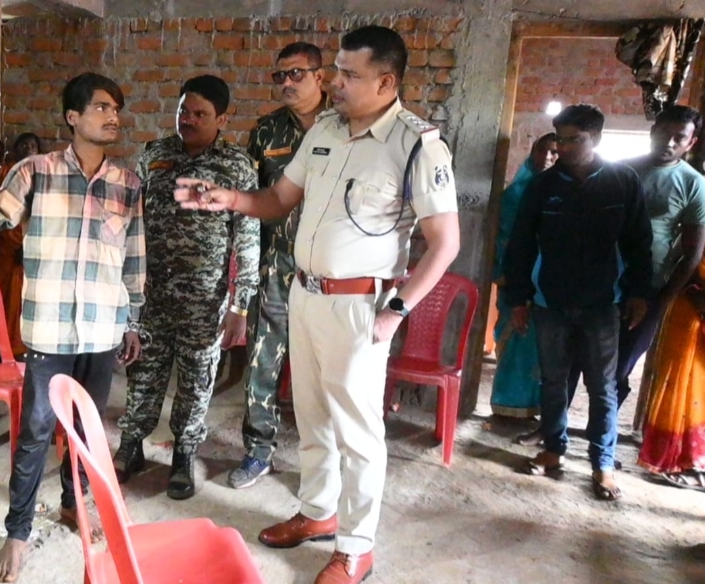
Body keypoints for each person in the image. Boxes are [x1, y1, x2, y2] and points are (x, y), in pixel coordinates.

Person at [176, 26, 460, 584]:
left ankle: (356, 549)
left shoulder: (416, 144)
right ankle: (318, 512)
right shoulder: (326, 128)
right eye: (337, 71)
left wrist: (396, 311)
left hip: (359, 308)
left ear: (387, 82)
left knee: (358, 433)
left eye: (350, 75)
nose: (336, 83)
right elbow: (279, 199)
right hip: (303, 294)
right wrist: (229, 199)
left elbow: (445, 242)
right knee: (310, 416)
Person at [0, 72, 145, 583]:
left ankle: (72, 504)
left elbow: (134, 259)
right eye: (101, 107)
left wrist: (133, 322)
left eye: (116, 109)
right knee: (35, 432)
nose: (113, 117)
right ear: (72, 117)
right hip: (49, 331)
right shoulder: (35, 171)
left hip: (101, 331)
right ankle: (17, 532)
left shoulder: (127, 185)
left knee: (86, 433)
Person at [113, 74, 260, 501]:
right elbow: (131, 221)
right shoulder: (155, 155)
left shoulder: (236, 166)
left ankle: (183, 454)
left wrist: (240, 305)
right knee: (143, 373)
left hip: (204, 301)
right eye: (183, 111)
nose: (188, 120)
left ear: (221, 119)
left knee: (196, 381)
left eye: (200, 114)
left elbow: (248, 237)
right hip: (152, 295)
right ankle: (131, 445)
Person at [504, 103, 652, 502]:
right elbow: (521, 244)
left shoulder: (622, 182)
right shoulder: (543, 186)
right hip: (550, 301)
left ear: (597, 138)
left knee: (602, 387)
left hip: (603, 303)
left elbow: (639, 242)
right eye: (561, 139)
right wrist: (517, 298)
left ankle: (602, 464)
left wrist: (639, 293)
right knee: (553, 381)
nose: (565, 147)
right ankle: (553, 450)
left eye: (575, 140)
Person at [567, 105, 705, 413]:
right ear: (652, 131)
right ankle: (553, 429)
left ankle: (601, 434)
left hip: (648, 290)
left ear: (692, 142)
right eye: (663, 132)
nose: (668, 142)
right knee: (572, 359)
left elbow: (692, 254)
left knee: (617, 370)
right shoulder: (618, 171)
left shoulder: (694, 185)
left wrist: (661, 302)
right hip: (598, 285)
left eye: (679, 137)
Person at [230, 41, 328, 490]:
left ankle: (323, 461)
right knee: (262, 362)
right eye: (280, 75)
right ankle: (258, 451)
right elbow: (251, 201)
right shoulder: (267, 132)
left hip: (327, 272)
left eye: (297, 73)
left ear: (320, 77)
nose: (287, 82)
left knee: (323, 370)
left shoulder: (343, 127)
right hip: (276, 265)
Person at [489, 133, 558, 420]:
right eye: (544, 151)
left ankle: (532, 407)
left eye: (555, 153)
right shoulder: (516, 192)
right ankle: (507, 405)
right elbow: (503, 236)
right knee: (514, 334)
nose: (549, 158)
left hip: (548, 282)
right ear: (533, 152)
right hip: (515, 278)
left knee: (538, 346)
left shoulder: (563, 193)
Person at [638, 239, 705, 490]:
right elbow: (685, 255)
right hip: (687, 307)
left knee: (703, 389)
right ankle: (680, 458)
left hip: (701, 306)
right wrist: (689, 290)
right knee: (685, 384)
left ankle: (699, 465)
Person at [0, 132, 46, 359]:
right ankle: (4, 349)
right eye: (23, 145)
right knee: (6, 301)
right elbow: (0, 213)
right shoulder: (7, 174)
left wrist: (28, 246)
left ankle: (21, 349)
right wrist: (14, 245)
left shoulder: (45, 176)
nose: (28, 149)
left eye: (33, 145)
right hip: (7, 252)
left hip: (31, 251)